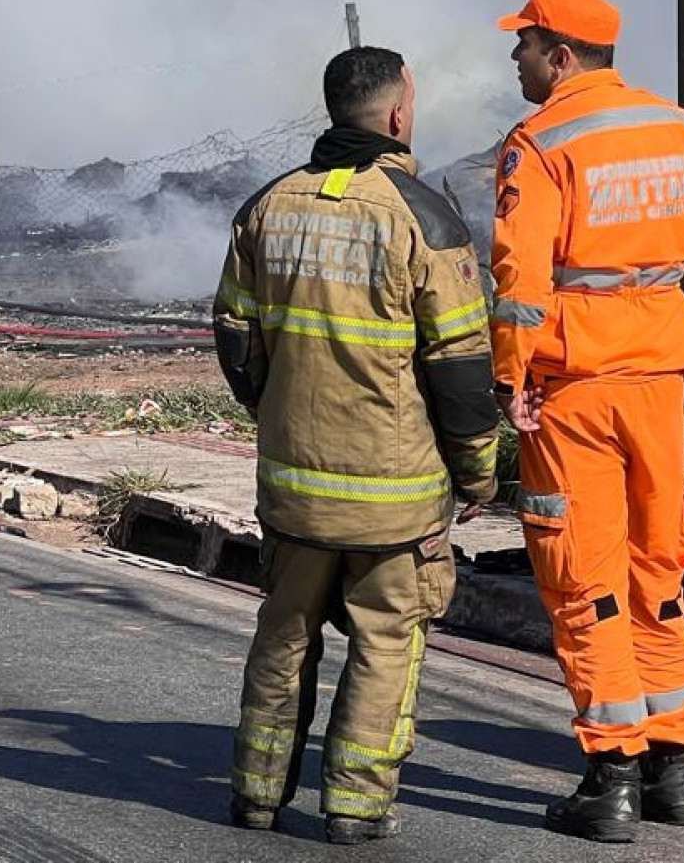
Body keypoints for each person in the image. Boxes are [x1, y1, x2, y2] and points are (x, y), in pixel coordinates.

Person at [487, 0, 684, 842]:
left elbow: (519, 283)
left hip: (575, 389)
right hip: (660, 382)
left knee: (585, 577)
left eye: (526, 42)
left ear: (562, 55)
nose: (516, 56)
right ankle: (673, 769)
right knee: (658, 574)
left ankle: (609, 774)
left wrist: (510, 379)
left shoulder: (539, 144)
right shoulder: (676, 129)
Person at [214, 45, 502, 846]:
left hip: (295, 489)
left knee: (284, 633)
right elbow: (461, 370)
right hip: (394, 498)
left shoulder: (266, 207)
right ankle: (354, 806)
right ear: (399, 115)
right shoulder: (426, 218)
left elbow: (236, 337)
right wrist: (478, 473)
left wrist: (277, 413)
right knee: (383, 642)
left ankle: (257, 792)